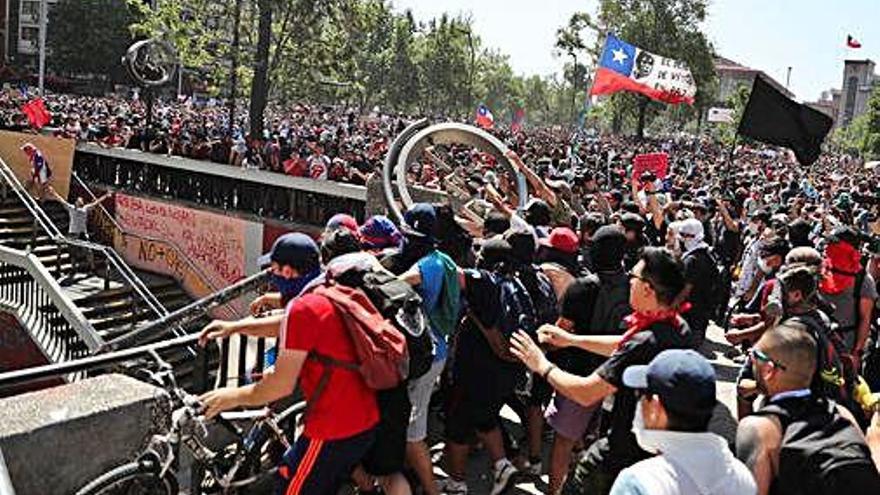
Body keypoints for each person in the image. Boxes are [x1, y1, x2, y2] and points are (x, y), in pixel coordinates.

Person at [199, 233, 379, 495]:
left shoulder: (304, 309)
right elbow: (287, 325)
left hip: (334, 426)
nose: (272, 276)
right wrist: (235, 327)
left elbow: (280, 387)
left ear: (287, 270)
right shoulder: (324, 289)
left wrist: (228, 397)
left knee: (290, 487)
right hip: (362, 415)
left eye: (273, 269)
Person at [510, 247, 692, 494]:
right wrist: (572, 339)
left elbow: (586, 392)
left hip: (622, 454)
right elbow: (623, 345)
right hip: (652, 449)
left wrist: (540, 363)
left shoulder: (646, 341)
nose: (629, 281)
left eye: (634, 277)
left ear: (648, 288)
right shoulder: (675, 325)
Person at [735, 322, 880, 494]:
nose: (752, 361)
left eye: (755, 356)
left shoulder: (760, 428)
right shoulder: (842, 413)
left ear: (768, 370)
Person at [542, 225, 632, 495]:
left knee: (563, 441)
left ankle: (555, 490)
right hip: (617, 373)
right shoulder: (634, 286)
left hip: (580, 375)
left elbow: (562, 329)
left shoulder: (581, 288)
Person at [609, 349, 756, 495]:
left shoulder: (638, 482)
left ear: (655, 406)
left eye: (641, 396)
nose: (639, 403)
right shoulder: (743, 478)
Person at [47, 187, 112, 278]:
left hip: (82, 233)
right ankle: (74, 269)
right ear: (76, 202)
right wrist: (53, 192)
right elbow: (61, 200)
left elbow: (96, 203)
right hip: (72, 234)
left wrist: (105, 196)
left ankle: (92, 268)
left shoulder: (85, 209)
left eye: (81, 201)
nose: (79, 202)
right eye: (78, 201)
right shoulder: (71, 208)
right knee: (73, 253)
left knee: (88, 251)